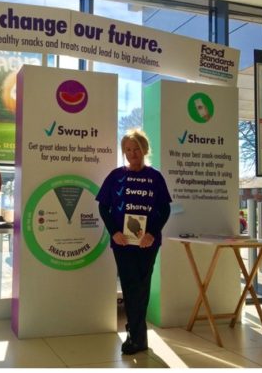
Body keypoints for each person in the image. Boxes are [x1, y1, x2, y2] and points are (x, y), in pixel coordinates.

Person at [96, 129, 171, 355]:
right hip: (123, 242)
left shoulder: (155, 177)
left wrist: (152, 233)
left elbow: (164, 209)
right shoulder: (116, 176)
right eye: (127, 150)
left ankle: (136, 334)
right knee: (130, 286)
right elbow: (103, 206)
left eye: (136, 148)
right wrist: (114, 232)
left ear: (144, 150)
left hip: (148, 243)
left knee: (142, 286)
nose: (132, 153)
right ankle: (137, 336)